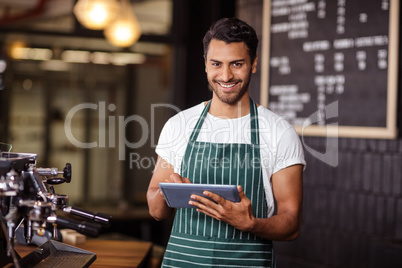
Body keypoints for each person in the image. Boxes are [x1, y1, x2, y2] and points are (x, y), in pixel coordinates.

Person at [147, 17, 306, 267]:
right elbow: (156, 211)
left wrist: (252, 224)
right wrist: (168, 192)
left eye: (237, 64)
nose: (226, 75)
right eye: (216, 64)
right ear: (206, 65)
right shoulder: (179, 125)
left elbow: (291, 223)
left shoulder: (278, 131)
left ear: (253, 64)